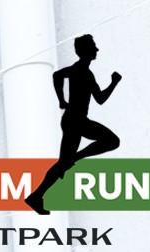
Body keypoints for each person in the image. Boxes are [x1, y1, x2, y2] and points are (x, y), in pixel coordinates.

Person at [26, 33, 122, 215]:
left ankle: (36, 196)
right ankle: (72, 161)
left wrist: (62, 100)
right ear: (85, 51)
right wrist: (114, 83)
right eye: (93, 47)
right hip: (75, 121)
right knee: (111, 141)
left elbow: (59, 76)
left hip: (76, 120)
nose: (96, 50)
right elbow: (99, 98)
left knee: (63, 163)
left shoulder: (83, 71)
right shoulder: (81, 71)